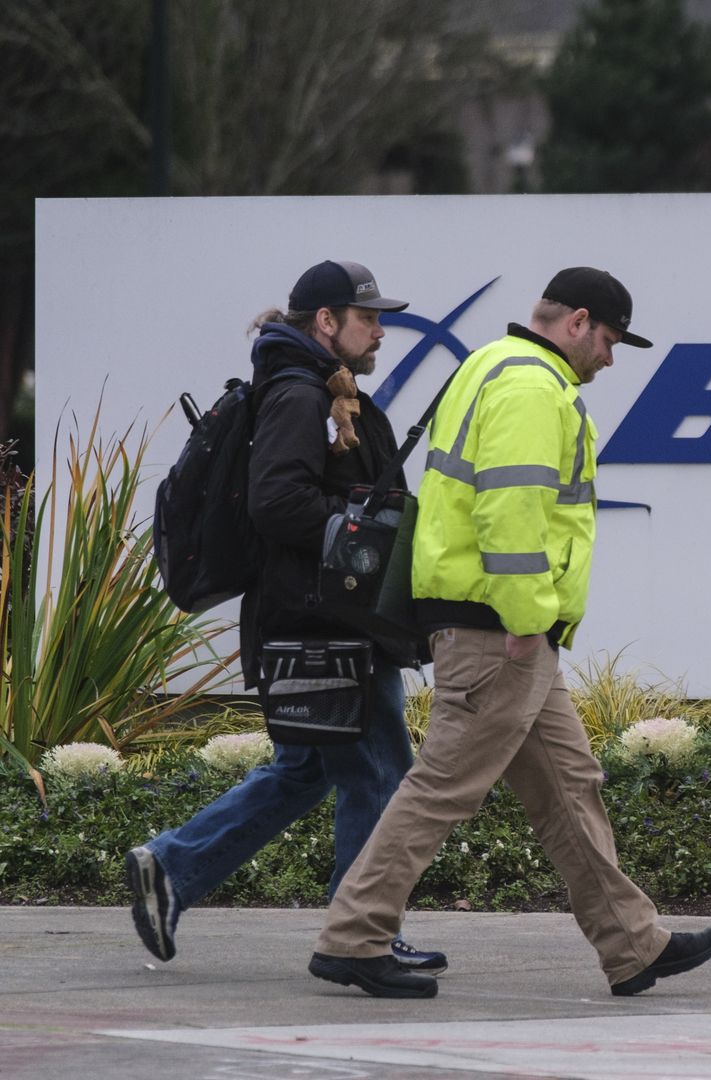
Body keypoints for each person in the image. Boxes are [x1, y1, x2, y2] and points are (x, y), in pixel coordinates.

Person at [309, 268, 711, 999]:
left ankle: (633, 944)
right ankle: (354, 936)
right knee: (442, 786)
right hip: (500, 628)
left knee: (570, 787)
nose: (611, 357)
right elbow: (510, 513)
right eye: (610, 339)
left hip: (497, 623)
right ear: (578, 322)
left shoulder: (487, 366)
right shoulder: (534, 388)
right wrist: (528, 621)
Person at [127, 260, 445, 975]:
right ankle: (359, 935)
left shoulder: (317, 389)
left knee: (305, 770)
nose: (380, 331)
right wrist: (361, 535)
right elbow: (277, 502)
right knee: (377, 773)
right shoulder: (302, 396)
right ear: (325, 322)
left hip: (313, 620)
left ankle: (173, 868)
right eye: (368, 318)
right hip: (324, 625)